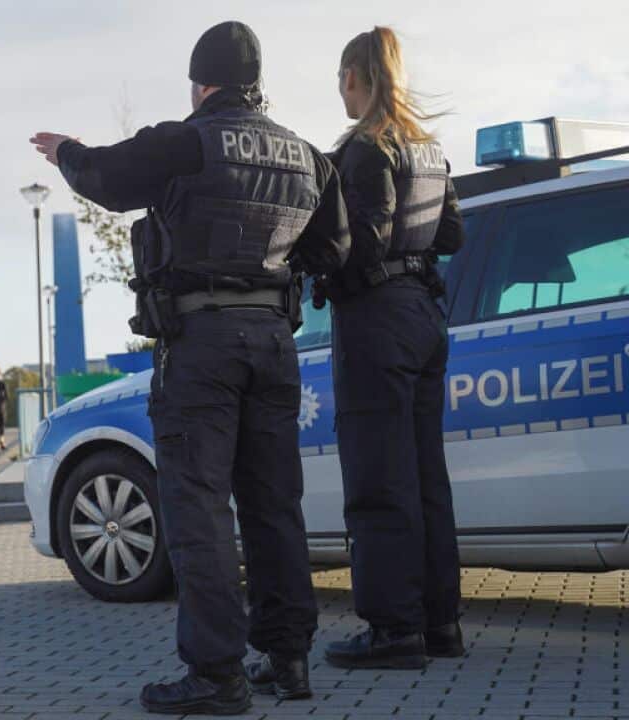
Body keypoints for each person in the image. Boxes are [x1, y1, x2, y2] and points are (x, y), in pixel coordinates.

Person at [32, 20, 349, 714]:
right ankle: (289, 661)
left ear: (201, 82)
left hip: (203, 345)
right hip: (274, 342)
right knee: (273, 506)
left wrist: (65, 152)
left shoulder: (186, 139)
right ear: (255, 83)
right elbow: (334, 249)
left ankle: (216, 676)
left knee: (198, 510)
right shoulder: (306, 156)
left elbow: (106, 178)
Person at [320, 27, 467, 670]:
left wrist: (327, 272)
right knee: (426, 478)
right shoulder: (428, 150)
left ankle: (393, 632)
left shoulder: (364, 149)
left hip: (377, 324)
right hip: (424, 319)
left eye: (342, 80)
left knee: (381, 482)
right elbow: (454, 235)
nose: (342, 94)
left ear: (358, 76)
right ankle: (442, 625)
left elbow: (367, 242)